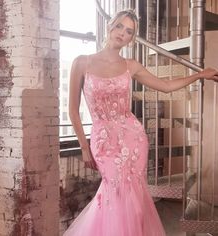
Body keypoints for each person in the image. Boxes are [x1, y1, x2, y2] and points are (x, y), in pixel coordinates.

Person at [64, 9, 218, 236]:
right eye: (119, 27)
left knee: (132, 196)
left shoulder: (131, 65)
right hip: (103, 141)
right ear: (110, 26)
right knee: (113, 192)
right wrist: (84, 148)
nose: (122, 33)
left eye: (129, 31)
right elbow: (72, 111)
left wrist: (197, 75)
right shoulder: (81, 63)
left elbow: (165, 86)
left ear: (131, 39)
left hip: (132, 138)